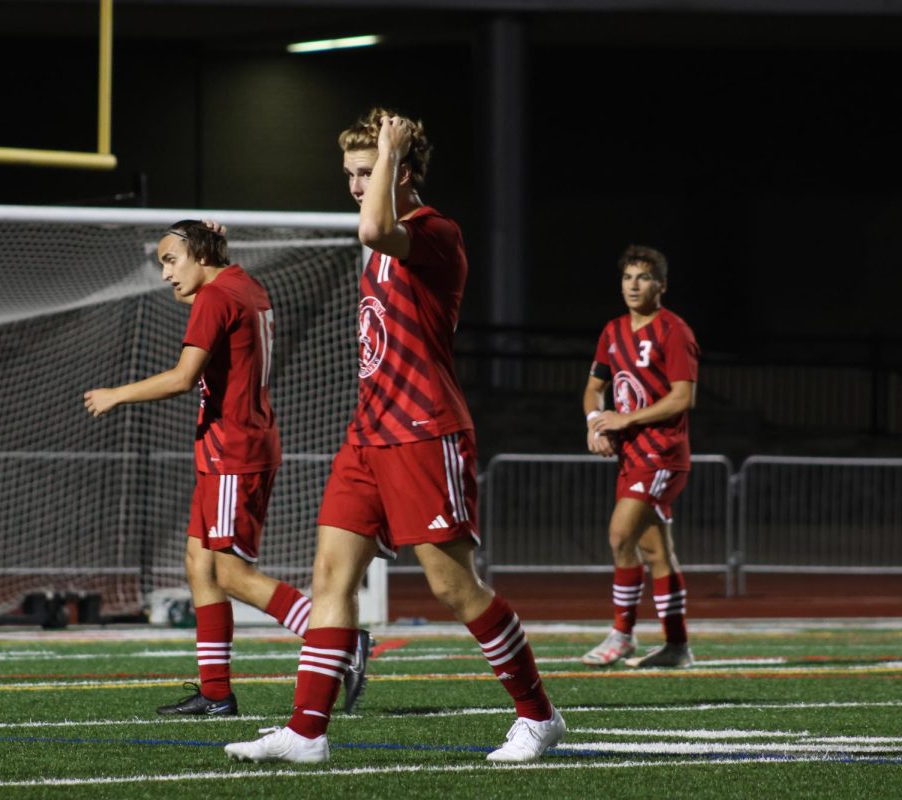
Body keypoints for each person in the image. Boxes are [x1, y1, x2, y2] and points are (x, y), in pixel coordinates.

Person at [225, 108, 565, 766]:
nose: (355, 184)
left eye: (367, 170)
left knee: (452, 587)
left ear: (402, 171)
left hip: (423, 430)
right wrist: (381, 153)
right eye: (350, 172)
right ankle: (306, 730)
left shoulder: (433, 231)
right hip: (369, 433)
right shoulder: (382, 238)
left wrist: (388, 148)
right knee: (330, 575)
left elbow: (376, 223)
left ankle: (539, 716)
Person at [84, 220, 370, 716]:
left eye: (171, 261)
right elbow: (210, 295)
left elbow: (183, 377)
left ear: (198, 255)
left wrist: (117, 393)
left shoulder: (216, 298)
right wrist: (209, 251)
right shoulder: (244, 284)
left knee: (231, 574)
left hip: (232, 450)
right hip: (240, 444)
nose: (165, 274)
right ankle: (216, 693)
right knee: (199, 565)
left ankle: (338, 640)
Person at [580, 245, 699, 668]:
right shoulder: (612, 331)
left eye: (644, 277)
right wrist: (597, 421)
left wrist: (622, 419)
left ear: (661, 285)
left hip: (663, 454)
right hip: (632, 457)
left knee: (619, 535)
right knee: (656, 553)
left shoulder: (674, 331)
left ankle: (622, 635)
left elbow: (683, 398)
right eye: (628, 276)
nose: (634, 285)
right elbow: (594, 389)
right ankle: (677, 646)